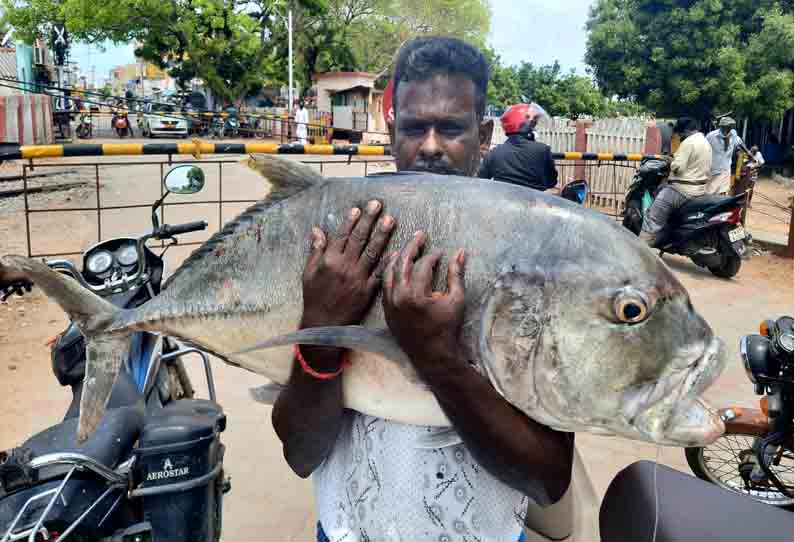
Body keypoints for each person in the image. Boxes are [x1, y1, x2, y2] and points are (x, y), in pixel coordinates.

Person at [272, 36, 574, 542]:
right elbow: (300, 454)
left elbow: (547, 480)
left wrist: (436, 356)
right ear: (392, 132)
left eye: (451, 128)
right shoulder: (348, 244)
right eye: (414, 127)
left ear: (482, 135)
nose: (430, 145)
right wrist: (322, 329)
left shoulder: (529, 258)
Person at [640, 117, 712, 247]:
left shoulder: (688, 143)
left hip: (681, 190)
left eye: (680, 133)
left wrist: (670, 162)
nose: (679, 136)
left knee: (653, 218)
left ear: (685, 130)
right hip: (699, 190)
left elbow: (678, 167)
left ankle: (641, 248)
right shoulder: (705, 142)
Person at [478, 103, 559, 191]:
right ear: (526, 126)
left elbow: (481, 180)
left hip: (503, 203)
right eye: (533, 124)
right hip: (535, 203)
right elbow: (551, 182)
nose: (534, 126)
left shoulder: (494, 154)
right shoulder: (543, 150)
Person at [705, 117, 754, 195]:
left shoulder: (733, 134)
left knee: (723, 192)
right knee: (710, 192)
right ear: (722, 126)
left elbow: (739, 142)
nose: (729, 129)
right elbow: (703, 147)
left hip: (726, 169)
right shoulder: (711, 136)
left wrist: (748, 153)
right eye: (727, 127)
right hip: (713, 169)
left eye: (731, 126)